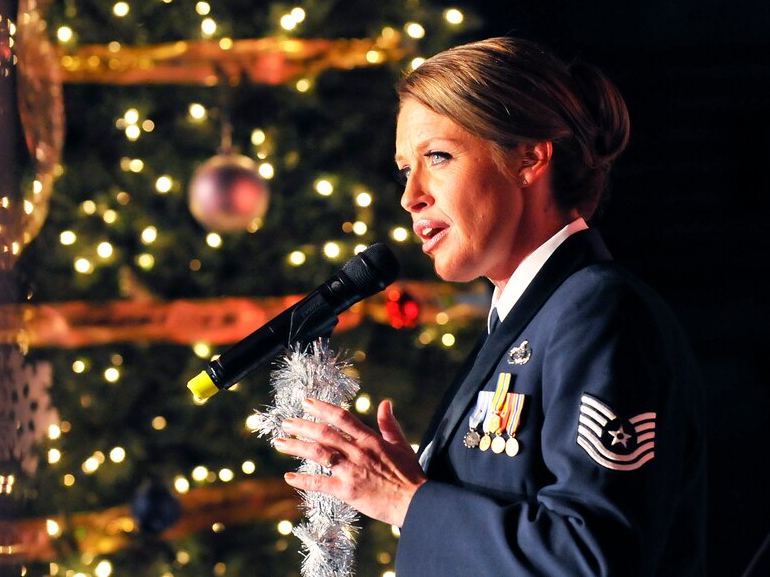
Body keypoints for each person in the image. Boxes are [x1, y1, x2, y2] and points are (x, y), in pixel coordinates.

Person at [274, 37, 706, 575]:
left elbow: (592, 556)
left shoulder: (597, 309)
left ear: (529, 156)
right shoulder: (525, 319)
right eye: (405, 168)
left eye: (438, 157)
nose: (411, 196)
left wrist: (409, 501)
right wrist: (416, 493)